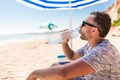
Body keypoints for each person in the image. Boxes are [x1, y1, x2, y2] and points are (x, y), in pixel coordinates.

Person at [26, 11, 120, 80]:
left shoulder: (103, 51)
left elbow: (62, 73)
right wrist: (64, 43)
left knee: (56, 74)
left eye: (83, 24)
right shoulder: (90, 46)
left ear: (94, 30)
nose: (79, 26)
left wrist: (33, 74)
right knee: (54, 66)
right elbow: (72, 56)